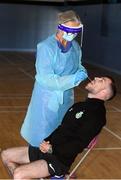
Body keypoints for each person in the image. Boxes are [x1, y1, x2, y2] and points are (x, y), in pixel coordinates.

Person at [1, 76, 116, 179]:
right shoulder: (79, 105)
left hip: (59, 160)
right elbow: (61, 128)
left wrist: (52, 149)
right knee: (5, 155)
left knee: (19, 174)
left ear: (104, 93)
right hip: (47, 150)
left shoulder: (97, 115)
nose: (95, 77)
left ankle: (58, 174)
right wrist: (46, 142)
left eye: (101, 80)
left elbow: (79, 144)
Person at [20, 10, 88, 147]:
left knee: (61, 133)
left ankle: (52, 165)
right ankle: (36, 162)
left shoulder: (75, 47)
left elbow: (78, 66)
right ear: (60, 27)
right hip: (46, 98)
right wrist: (73, 79)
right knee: (42, 137)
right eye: (70, 30)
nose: (73, 34)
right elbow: (45, 78)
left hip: (66, 98)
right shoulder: (45, 47)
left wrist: (82, 72)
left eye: (76, 30)